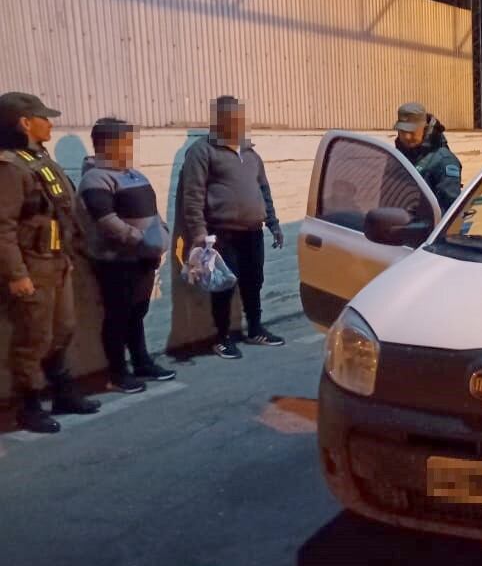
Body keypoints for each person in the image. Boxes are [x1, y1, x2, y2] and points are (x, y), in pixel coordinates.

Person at [0, 92, 101, 433]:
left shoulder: (41, 159)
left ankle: (62, 393)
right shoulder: (10, 167)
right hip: (32, 266)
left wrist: (72, 254)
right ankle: (29, 405)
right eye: (44, 117)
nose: (51, 123)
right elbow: (3, 227)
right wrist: (16, 274)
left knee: (63, 329)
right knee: (33, 337)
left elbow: (63, 210)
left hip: (56, 261)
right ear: (25, 122)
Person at [179, 96, 284, 360]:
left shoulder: (251, 153)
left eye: (239, 118)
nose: (237, 123)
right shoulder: (202, 151)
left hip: (253, 231)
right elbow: (193, 195)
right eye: (230, 119)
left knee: (254, 281)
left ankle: (255, 329)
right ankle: (222, 337)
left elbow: (264, 190)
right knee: (224, 285)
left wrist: (273, 223)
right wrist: (199, 233)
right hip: (222, 232)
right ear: (218, 121)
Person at [79, 118, 174, 393]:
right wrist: (143, 243)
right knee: (118, 317)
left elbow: (154, 215)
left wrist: (162, 237)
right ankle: (118, 374)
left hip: (143, 259)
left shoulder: (134, 174)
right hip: (116, 263)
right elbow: (107, 222)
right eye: (126, 142)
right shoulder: (95, 178)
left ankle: (142, 363)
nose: (130, 148)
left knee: (137, 313)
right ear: (107, 145)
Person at [393, 102, 462, 212]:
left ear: (424, 128)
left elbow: (450, 211)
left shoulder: (444, 161)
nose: (407, 136)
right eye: (402, 131)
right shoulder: (397, 156)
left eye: (412, 131)